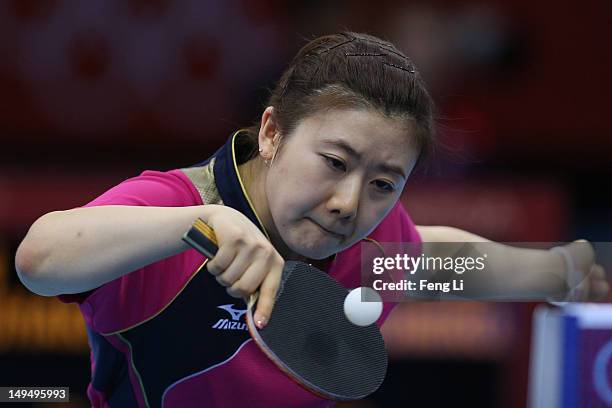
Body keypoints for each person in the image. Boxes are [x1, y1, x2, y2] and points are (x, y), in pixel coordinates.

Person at [15, 32, 608, 407]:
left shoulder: (369, 243)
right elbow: (39, 261)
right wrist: (197, 226)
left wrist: (561, 271)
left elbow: (431, 260)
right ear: (272, 132)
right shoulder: (173, 206)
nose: (349, 203)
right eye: (333, 162)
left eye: (383, 184)